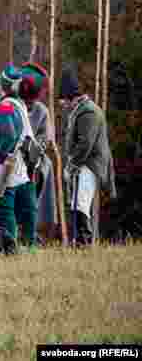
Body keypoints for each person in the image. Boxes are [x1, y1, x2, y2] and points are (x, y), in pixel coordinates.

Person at [58, 69, 117, 246]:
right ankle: (80, 240)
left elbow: (85, 143)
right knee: (78, 202)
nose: (62, 103)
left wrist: (71, 164)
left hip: (89, 165)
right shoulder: (80, 110)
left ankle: (84, 241)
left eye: (63, 99)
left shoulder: (88, 112)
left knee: (81, 202)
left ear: (71, 96)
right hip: (84, 164)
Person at [0, 65, 37, 254]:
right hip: (21, 164)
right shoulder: (21, 105)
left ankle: (8, 249)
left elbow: (9, 135)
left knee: (2, 206)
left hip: (7, 164)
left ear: (4, 85)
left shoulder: (6, 105)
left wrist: (0, 156)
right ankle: (25, 245)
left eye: (0, 82)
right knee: (23, 208)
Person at [18, 62, 58, 244]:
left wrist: (32, 149)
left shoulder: (42, 111)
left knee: (43, 168)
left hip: (32, 161)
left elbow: (46, 138)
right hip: (8, 156)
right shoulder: (7, 104)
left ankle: (29, 229)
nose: (28, 105)